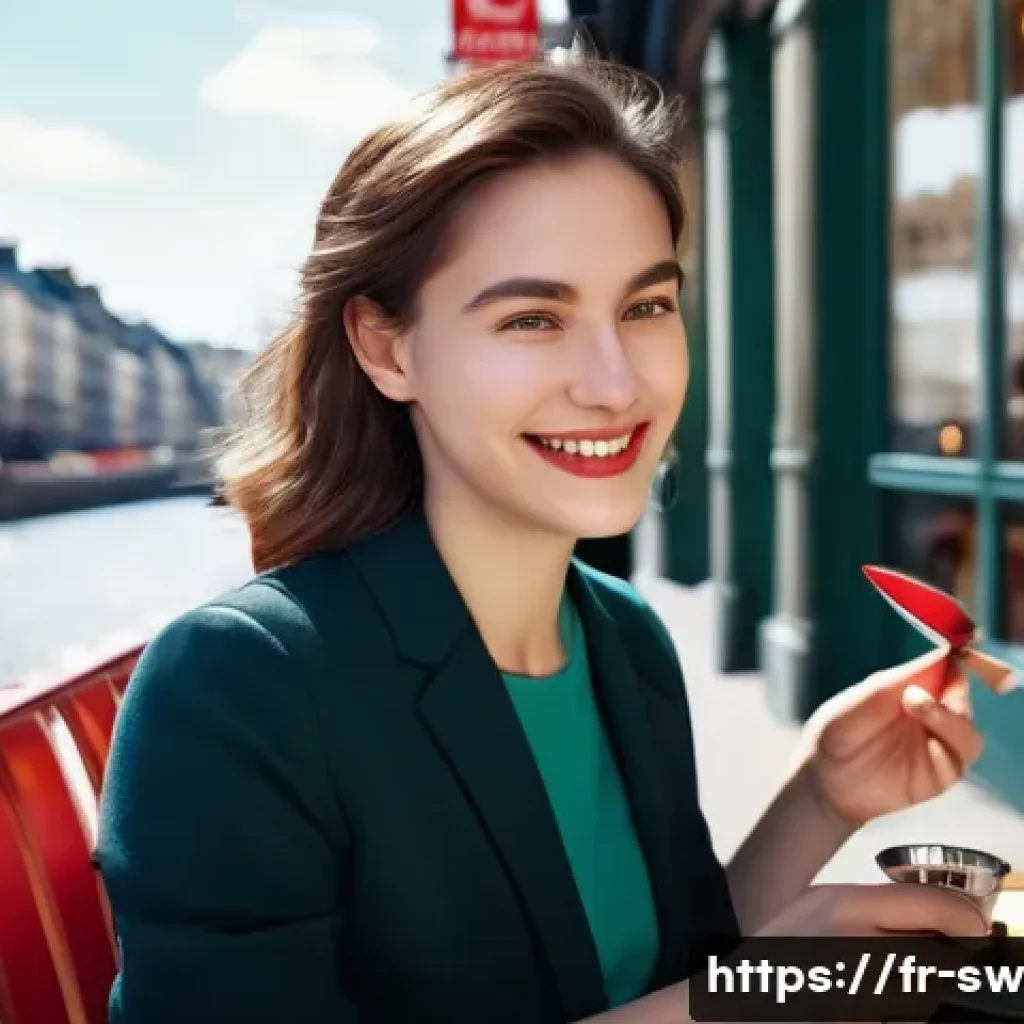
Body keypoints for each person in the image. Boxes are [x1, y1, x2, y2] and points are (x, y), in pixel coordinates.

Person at [95, 51, 994, 1024]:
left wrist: (822, 794)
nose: (615, 382)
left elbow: (652, 972)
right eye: (532, 318)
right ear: (385, 348)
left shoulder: (622, 638)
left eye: (645, 306)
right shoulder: (240, 685)